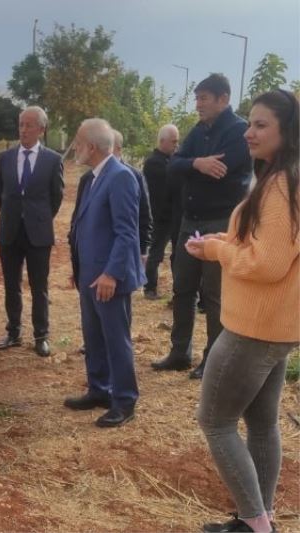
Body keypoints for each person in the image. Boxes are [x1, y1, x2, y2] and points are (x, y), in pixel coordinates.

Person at [186, 89, 299, 533]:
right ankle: (259, 516)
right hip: (276, 326)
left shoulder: (280, 188)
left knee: (214, 422)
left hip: (253, 329)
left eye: (260, 125)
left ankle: (255, 523)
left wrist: (218, 252)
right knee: (262, 424)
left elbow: (267, 265)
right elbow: (268, 248)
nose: (248, 132)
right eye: (250, 123)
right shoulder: (280, 177)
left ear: (286, 131)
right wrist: (222, 241)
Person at [151, 74, 253, 379]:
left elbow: (222, 172)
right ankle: (180, 352)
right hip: (190, 221)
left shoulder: (239, 132)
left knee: (213, 294)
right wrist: (197, 164)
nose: (197, 105)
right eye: (196, 98)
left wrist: (192, 166)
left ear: (223, 99)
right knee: (183, 288)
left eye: (203, 98)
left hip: (220, 222)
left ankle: (214, 359)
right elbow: (174, 166)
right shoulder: (198, 131)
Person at [65, 118, 145, 428]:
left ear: (92, 147)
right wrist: (79, 269)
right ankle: (99, 389)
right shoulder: (94, 176)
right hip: (89, 275)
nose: (75, 148)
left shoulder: (121, 177)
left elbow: (127, 232)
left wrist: (111, 273)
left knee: (115, 339)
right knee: (94, 337)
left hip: (109, 278)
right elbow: (85, 226)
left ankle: (124, 400)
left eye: (78, 142)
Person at [0, 106, 64, 356]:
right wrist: (14, 215)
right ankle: (13, 332)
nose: (23, 129)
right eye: (21, 124)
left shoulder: (53, 160)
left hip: (38, 233)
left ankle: (41, 335)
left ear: (41, 130)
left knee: (39, 286)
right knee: (12, 285)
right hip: (10, 230)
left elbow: (56, 197)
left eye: (29, 125)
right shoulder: (4, 158)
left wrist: (38, 218)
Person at [142, 124, 180, 299]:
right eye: (173, 142)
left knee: (178, 256)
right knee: (156, 254)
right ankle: (149, 287)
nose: (176, 146)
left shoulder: (169, 161)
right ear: (162, 141)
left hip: (175, 215)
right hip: (160, 217)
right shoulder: (153, 163)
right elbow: (172, 177)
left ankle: (178, 291)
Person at [112, 129, 153, 261]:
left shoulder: (134, 175)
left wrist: (143, 249)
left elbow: (144, 214)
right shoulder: (90, 176)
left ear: (118, 148)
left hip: (128, 248)